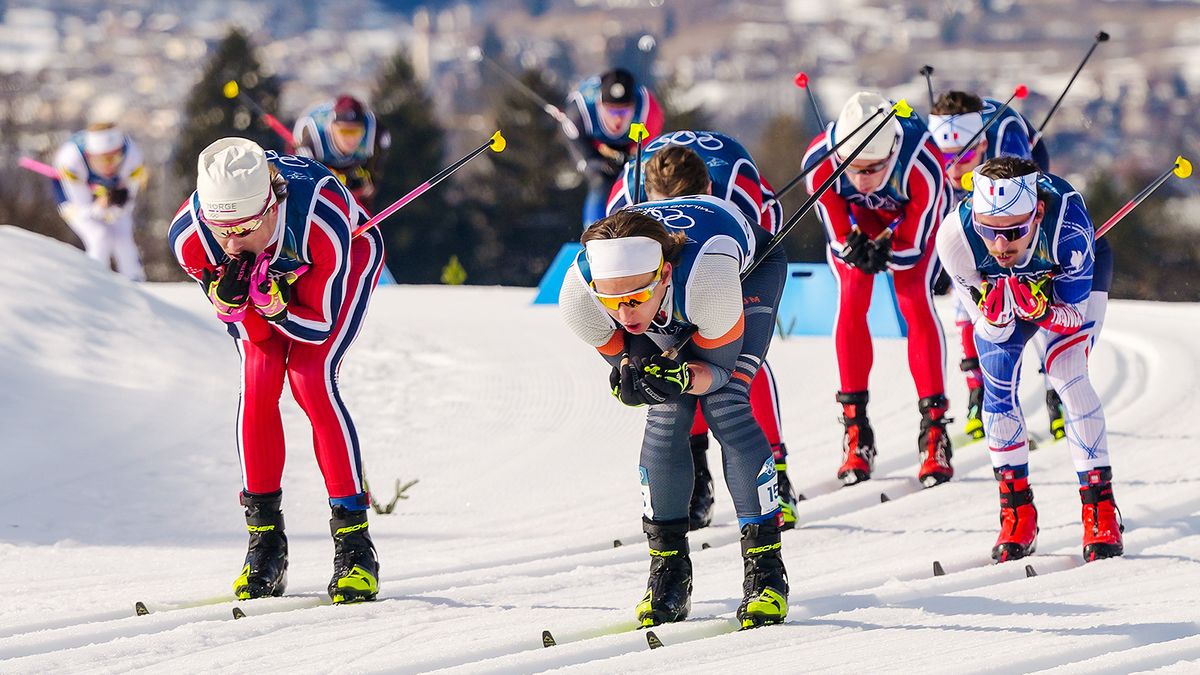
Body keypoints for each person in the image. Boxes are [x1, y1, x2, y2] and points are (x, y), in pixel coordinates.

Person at [168, 138, 387, 603]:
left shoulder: (321, 218)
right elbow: (258, 338)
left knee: (311, 381)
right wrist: (235, 304)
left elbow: (315, 327)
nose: (231, 243)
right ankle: (265, 543)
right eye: (220, 229)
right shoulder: (191, 238)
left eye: (244, 228)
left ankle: (355, 545)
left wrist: (276, 305)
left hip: (340, 264)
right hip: (277, 291)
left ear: (271, 207)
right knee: (258, 380)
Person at [559, 195, 789, 629]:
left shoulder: (707, 280)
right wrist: (633, 375)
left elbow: (718, 374)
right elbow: (630, 355)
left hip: (745, 275)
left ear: (664, 274)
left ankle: (766, 573)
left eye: (635, 297)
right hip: (675, 295)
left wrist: (683, 375)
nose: (625, 313)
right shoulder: (580, 300)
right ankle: (668, 571)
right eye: (612, 302)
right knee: (665, 414)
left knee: (727, 407)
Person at [606, 131, 801, 531]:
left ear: (708, 191)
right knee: (670, 363)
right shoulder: (623, 203)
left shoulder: (741, 193)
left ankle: (776, 471)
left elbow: (769, 243)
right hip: (658, 280)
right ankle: (697, 475)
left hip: (735, 258)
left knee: (736, 355)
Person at [936, 156, 1121, 562]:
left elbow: (1071, 315)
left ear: (1036, 213)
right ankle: (1016, 512)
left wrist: (1042, 310)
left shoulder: (1067, 224)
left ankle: (1099, 508)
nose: (1001, 246)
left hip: (1064, 291)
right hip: (1013, 297)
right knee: (997, 385)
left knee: (1067, 372)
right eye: (990, 232)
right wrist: (997, 311)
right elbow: (985, 320)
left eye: (1015, 232)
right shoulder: (955, 237)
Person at [801, 91, 954, 488]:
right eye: (853, 169)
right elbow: (837, 234)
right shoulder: (820, 164)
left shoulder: (923, 166)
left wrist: (889, 250)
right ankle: (856, 432)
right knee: (852, 298)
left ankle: (934, 431)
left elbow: (916, 245)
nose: (862, 179)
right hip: (860, 224)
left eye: (873, 169)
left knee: (913, 298)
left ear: (893, 153)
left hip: (907, 225)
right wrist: (854, 249)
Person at [928, 90, 1066, 441]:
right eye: (947, 159)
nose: (956, 168)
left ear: (983, 145)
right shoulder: (938, 164)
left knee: (1031, 294)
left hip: (1018, 192)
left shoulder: (1008, 141)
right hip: (973, 210)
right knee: (969, 300)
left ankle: (1056, 391)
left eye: (966, 157)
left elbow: (1019, 212)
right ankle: (978, 392)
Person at [564, 68, 663, 228]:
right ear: (599, 104)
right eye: (611, 110)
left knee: (639, 182)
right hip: (594, 145)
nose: (617, 118)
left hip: (629, 144)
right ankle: (593, 232)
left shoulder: (648, 110)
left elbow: (645, 151)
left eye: (624, 111)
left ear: (634, 106)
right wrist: (597, 162)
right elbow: (580, 150)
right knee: (600, 180)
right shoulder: (579, 110)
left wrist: (629, 158)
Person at [52, 122, 148, 281]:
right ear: (89, 155)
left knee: (123, 238)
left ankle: (137, 282)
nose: (109, 166)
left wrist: (117, 204)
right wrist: (100, 206)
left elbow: (128, 202)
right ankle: (96, 283)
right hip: (74, 201)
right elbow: (82, 208)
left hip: (109, 198)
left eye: (115, 157)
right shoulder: (71, 160)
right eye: (102, 160)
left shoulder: (132, 156)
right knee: (99, 237)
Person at [293, 95, 391, 212]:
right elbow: (306, 186)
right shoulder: (312, 140)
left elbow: (375, 170)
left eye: (356, 131)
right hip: (319, 161)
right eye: (344, 131)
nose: (350, 139)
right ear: (332, 128)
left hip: (355, 165)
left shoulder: (376, 134)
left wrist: (369, 185)